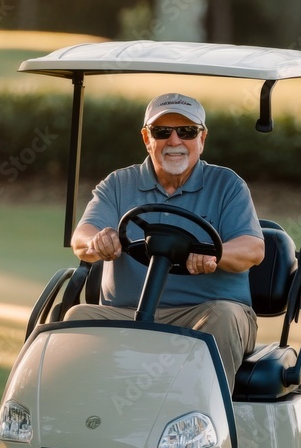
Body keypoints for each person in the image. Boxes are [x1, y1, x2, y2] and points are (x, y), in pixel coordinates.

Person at [65, 92, 265, 391]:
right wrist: (98, 240)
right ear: (147, 138)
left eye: (187, 131)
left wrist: (213, 254)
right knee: (77, 316)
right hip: (127, 313)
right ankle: (83, 414)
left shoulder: (228, 185)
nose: (174, 141)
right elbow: (81, 238)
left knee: (224, 316)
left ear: (202, 138)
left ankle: (199, 413)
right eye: (162, 132)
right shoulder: (118, 184)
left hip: (202, 314)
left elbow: (253, 249)